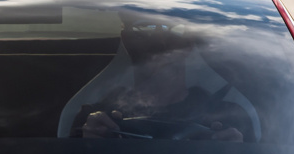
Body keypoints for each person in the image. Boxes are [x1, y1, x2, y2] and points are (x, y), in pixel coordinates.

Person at [72, 21, 252, 142]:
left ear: (190, 44)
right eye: (144, 28)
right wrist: (88, 143)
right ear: (126, 40)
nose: (158, 38)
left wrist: (235, 151)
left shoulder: (228, 116)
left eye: (171, 29)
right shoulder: (96, 119)